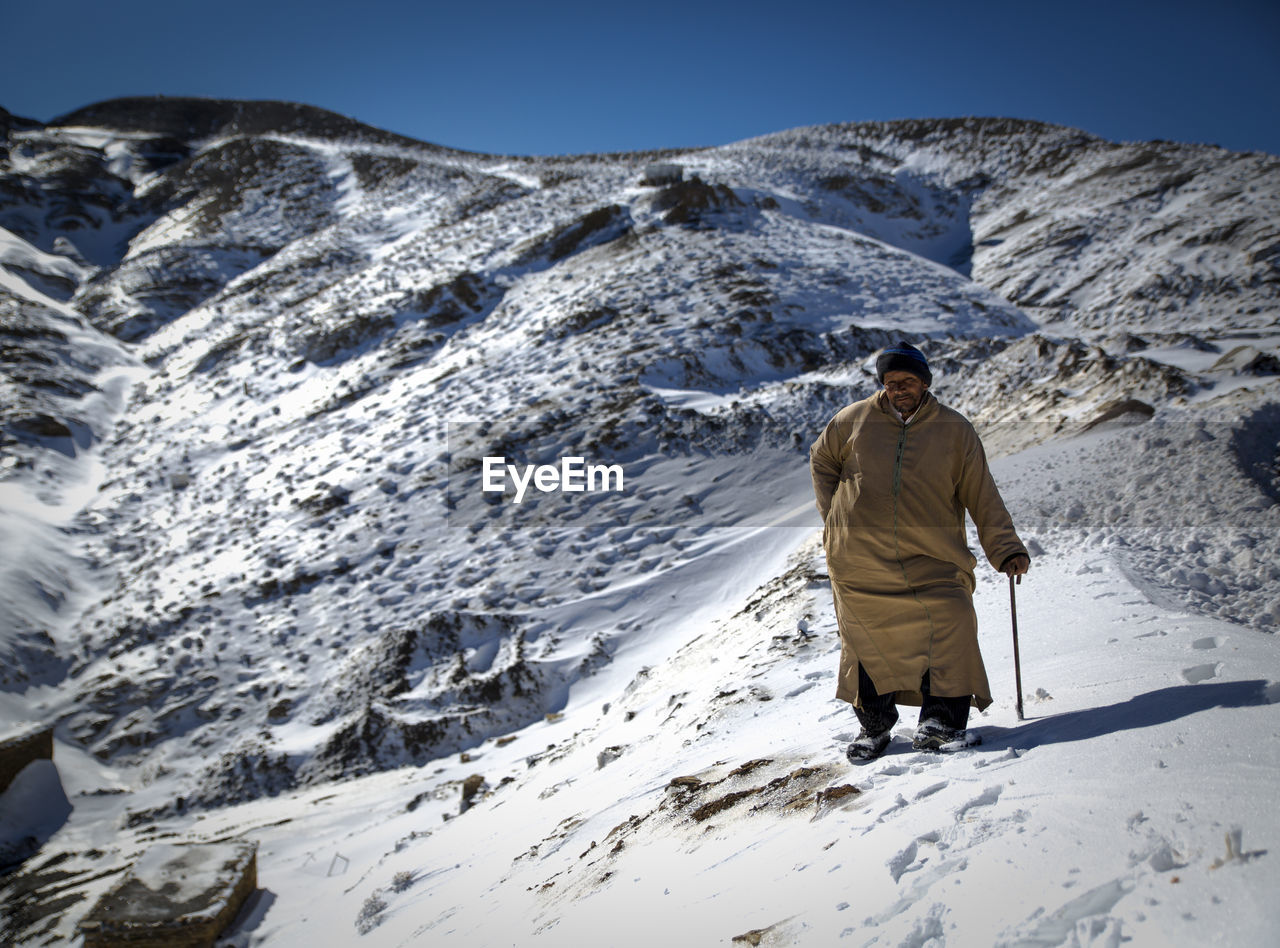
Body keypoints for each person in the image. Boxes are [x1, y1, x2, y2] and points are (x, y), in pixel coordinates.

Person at [809, 342, 1030, 760]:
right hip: (859, 560)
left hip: (932, 557)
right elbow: (821, 460)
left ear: (925, 382)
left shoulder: (954, 430)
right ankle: (874, 728)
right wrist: (835, 515)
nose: (898, 389)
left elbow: (982, 494)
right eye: (890, 382)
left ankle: (940, 722)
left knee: (953, 618)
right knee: (865, 642)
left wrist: (1005, 548)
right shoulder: (852, 420)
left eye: (907, 381)